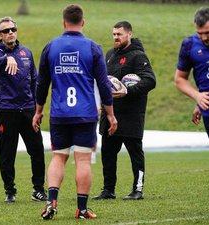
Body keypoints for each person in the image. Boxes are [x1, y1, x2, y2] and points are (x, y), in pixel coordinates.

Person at [32, 4, 117, 220]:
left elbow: (42, 84)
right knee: (83, 160)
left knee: (58, 157)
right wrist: (110, 114)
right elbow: (104, 85)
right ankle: (81, 209)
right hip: (85, 114)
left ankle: (51, 201)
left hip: (59, 114)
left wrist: (38, 111)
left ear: (63, 22)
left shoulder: (51, 47)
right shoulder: (93, 48)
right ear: (83, 21)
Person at [0, 16, 47, 203]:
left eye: (13, 29)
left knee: (37, 150)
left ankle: (38, 190)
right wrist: (7, 58)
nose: (10, 32)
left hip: (28, 109)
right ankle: (10, 191)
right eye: (6, 30)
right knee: (7, 152)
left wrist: (38, 108)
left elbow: (35, 81)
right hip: (6, 110)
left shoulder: (26, 53)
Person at [93, 21, 156, 201]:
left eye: (119, 34)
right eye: (114, 34)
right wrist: (99, 102)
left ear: (129, 34)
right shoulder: (109, 55)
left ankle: (138, 190)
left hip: (131, 115)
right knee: (107, 154)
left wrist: (128, 91)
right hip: (110, 114)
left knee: (135, 154)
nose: (116, 37)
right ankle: (108, 190)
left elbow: (150, 80)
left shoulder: (138, 56)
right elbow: (102, 82)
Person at [174, 7, 209, 147]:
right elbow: (180, 79)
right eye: (199, 33)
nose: (204, 38)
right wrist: (198, 97)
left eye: (208, 32)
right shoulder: (189, 45)